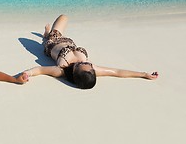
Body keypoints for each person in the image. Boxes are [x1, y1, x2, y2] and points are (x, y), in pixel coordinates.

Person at [23, 14, 158, 89]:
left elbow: (40, 70)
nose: (90, 64)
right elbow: (117, 72)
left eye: (84, 64)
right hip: (69, 41)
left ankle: (46, 35)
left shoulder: (61, 70)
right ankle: (46, 33)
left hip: (54, 40)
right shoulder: (91, 70)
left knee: (63, 17)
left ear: (76, 70)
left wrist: (27, 74)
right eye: (91, 66)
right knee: (65, 18)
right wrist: (143, 74)